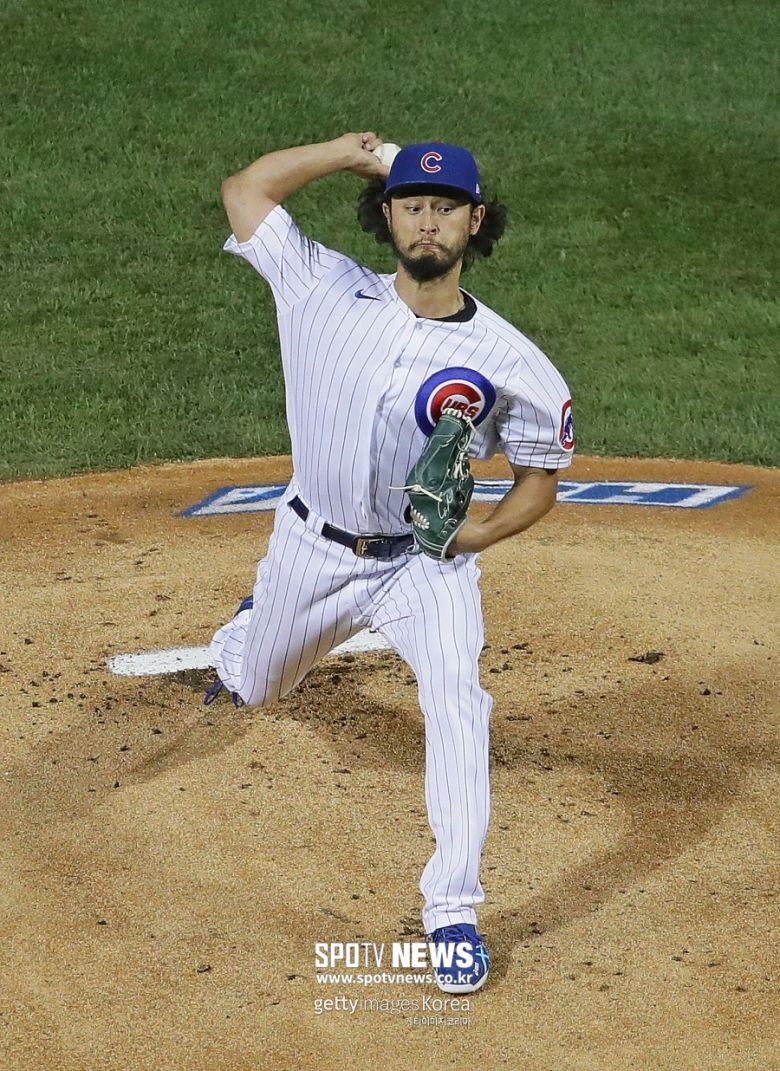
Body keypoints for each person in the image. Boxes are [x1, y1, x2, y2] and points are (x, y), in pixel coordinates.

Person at [206, 133, 575, 994]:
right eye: (412, 204)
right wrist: (348, 152)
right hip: (310, 547)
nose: (428, 221)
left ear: (476, 222)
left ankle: (453, 910)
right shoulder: (321, 286)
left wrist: (475, 537)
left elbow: (541, 477)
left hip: (422, 565)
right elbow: (243, 192)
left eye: (446, 207)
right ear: (387, 214)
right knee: (256, 683)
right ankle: (249, 626)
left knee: (457, 700)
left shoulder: (511, 359)